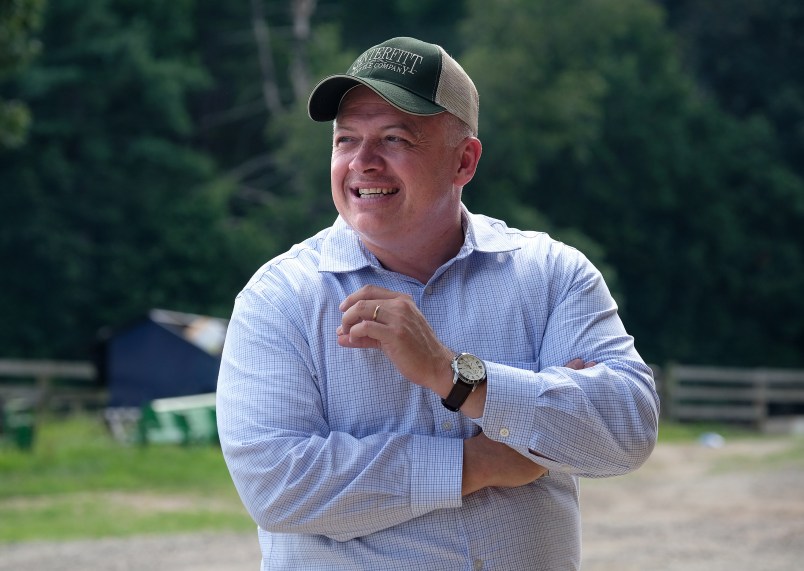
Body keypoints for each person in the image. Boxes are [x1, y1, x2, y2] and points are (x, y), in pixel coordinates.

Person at [216, 36, 659, 570]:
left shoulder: (551, 275)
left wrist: (457, 377)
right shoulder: (280, 297)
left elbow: (627, 429)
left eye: (395, 138)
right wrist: (478, 463)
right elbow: (277, 486)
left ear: (464, 161)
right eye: (346, 140)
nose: (363, 162)